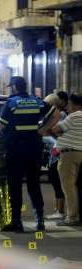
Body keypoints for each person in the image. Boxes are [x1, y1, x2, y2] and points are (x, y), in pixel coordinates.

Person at [0, 76, 61, 231]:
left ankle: (17, 220)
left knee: (15, 185)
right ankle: (39, 220)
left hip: (15, 149)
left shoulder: (11, 103)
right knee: (34, 184)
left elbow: (1, 127)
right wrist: (44, 129)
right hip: (33, 148)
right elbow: (57, 115)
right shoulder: (37, 101)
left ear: (14, 87)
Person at [52, 92, 82, 226]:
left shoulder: (73, 117)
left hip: (69, 154)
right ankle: (77, 214)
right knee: (77, 186)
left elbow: (55, 128)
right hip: (80, 153)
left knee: (69, 187)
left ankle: (72, 217)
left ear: (71, 103)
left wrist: (59, 133)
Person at [42, 94, 67, 219]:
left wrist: (44, 136)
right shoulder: (54, 117)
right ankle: (58, 209)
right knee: (55, 180)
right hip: (54, 154)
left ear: (54, 106)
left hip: (59, 154)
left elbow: (59, 137)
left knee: (58, 182)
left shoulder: (61, 117)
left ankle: (60, 211)